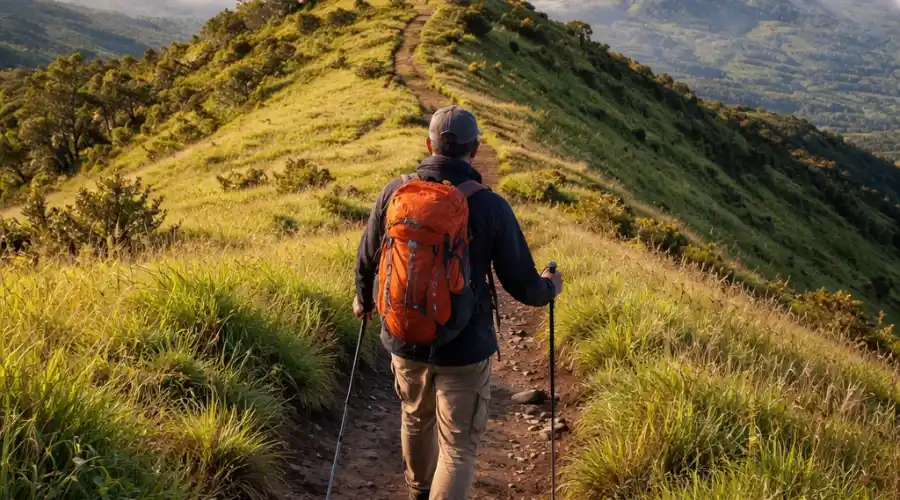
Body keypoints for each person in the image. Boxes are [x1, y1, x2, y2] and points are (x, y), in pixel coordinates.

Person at [353, 105, 563, 500]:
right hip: (464, 346)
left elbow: (367, 258)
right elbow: (523, 287)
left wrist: (363, 300)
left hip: (403, 336)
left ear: (428, 144)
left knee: (415, 419)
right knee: (459, 447)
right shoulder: (491, 206)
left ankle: (418, 492)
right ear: (475, 149)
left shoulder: (395, 192)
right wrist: (550, 287)